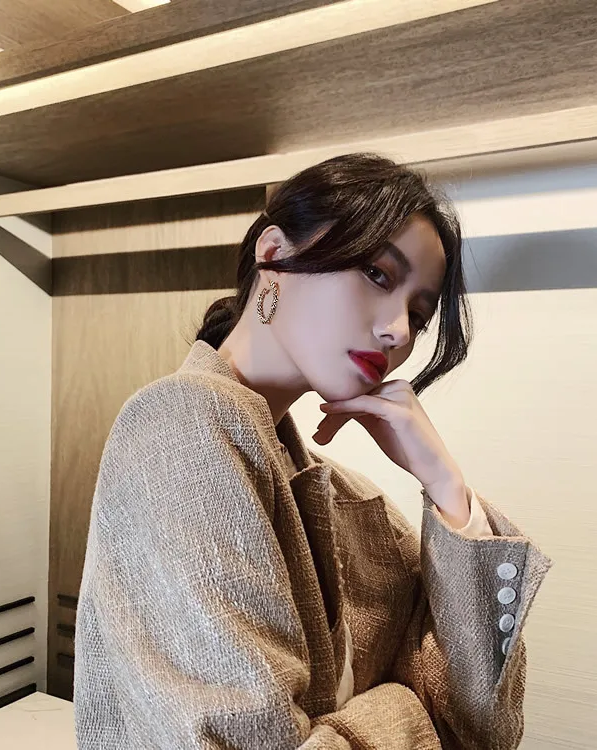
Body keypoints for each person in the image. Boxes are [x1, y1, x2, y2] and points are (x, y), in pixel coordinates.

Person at [73, 153, 552, 749]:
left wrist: (444, 484)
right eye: (378, 274)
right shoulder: (178, 423)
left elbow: (482, 726)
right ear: (274, 254)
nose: (399, 331)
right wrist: (404, 708)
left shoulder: (344, 497)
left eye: (418, 313)